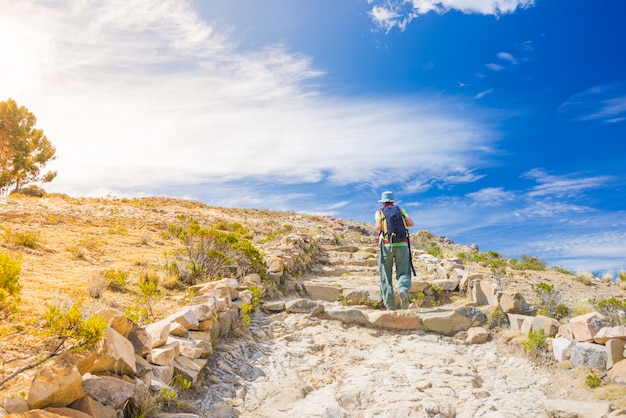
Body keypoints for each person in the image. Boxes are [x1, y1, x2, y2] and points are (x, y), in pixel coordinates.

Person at [375, 191, 414, 310]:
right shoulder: (401, 211)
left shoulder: (380, 212)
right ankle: (402, 289)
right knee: (404, 272)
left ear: (383, 202)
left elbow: (378, 228)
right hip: (402, 245)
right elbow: (411, 223)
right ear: (393, 201)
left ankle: (390, 306)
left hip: (386, 246)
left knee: (385, 276)